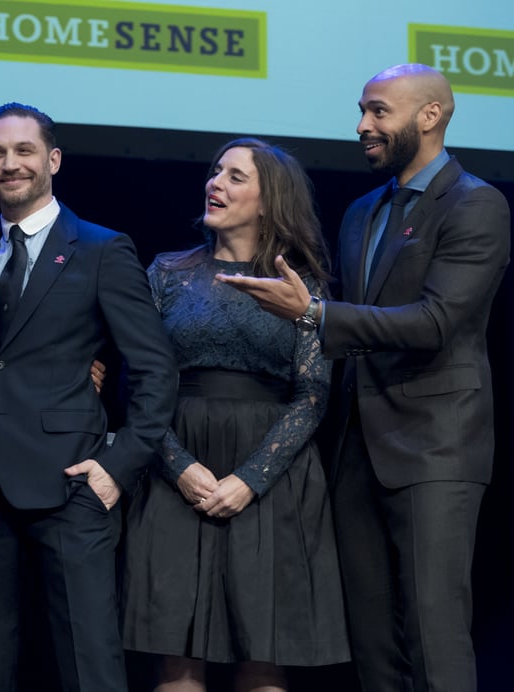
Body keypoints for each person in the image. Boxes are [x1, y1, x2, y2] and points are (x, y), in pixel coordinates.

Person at [218, 64, 511, 692]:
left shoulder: (477, 204)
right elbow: (348, 327)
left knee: (434, 634)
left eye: (379, 112)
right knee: (373, 645)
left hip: (436, 447)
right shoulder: (360, 212)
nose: (362, 126)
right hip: (356, 450)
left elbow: (436, 321)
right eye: (362, 110)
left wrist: (316, 313)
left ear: (429, 117)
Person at [0, 102, 178, 692]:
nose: (10, 164)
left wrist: (117, 467)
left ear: (52, 160)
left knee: (90, 665)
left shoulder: (104, 249)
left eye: (24, 151)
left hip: (73, 486)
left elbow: (156, 370)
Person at [121, 138, 350, 691]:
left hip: (271, 475)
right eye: (215, 172)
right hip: (176, 463)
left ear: (269, 200)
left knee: (264, 658)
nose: (215, 183)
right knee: (174, 655)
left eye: (235, 176)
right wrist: (179, 467)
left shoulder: (302, 285)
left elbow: (314, 394)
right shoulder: (167, 272)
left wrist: (250, 479)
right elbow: (140, 382)